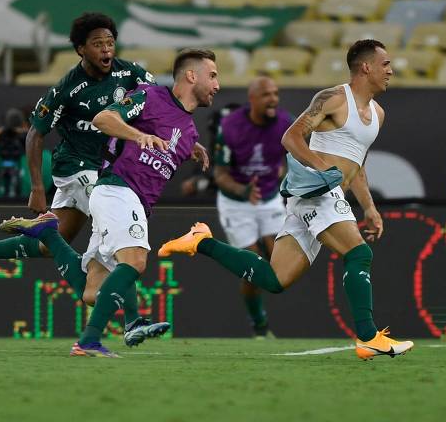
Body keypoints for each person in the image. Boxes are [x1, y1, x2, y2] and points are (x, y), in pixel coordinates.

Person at [159, 40, 414, 360]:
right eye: (385, 64)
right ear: (366, 67)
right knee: (358, 253)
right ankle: (367, 337)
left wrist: (370, 208)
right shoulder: (334, 99)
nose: (390, 70)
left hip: (324, 197)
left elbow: (357, 165)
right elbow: (290, 137)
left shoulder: (378, 113)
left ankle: (201, 242)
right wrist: (322, 168)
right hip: (316, 193)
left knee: (275, 279)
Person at [0, 13, 169, 346]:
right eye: (98, 44)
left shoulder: (131, 74)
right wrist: (37, 189)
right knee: (117, 237)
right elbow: (34, 135)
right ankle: (133, 321)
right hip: (77, 169)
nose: (106, 50)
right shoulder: (67, 89)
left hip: (102, 169)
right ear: (80, 49)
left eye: (110, 43)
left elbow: (158, 106)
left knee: (48, 245)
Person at [0, 48, 219, 357]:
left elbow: (171, 129)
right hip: (117, 189)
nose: (217, 85)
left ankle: (49, 234)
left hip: (136, 202)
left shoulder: (189, 129)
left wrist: (191, 146)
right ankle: (89, 341)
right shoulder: (149, 96)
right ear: (191, 75)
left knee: (93, 292)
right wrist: (136, 134)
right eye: (212, 75)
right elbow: (104, 118)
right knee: (136, 260)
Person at [213, 77, 291, 338]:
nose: (273, 99)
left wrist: (283, 175)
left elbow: (293, 158)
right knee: (253, 264)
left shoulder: (285, 124)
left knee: (278, 262)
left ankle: (260, 320)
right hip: (237, 203)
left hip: (269, 199)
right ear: (253, 99)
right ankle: (259, 324)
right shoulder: (231, 125)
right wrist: (243, 190)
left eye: (276, 93)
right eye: (267, 94)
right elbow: (220, 174)